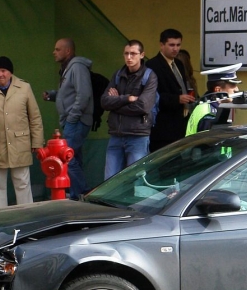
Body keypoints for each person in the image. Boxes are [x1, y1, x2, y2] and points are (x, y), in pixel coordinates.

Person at [0, 56, 45, 209]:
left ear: (10, 73)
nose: (0, 74)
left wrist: (37, 142)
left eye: (3, 71)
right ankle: (1, 220)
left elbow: (35, 117)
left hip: (20, 143)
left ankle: (27, 217)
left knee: (22, 183)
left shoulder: (24, 88)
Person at [44, 38, 93, 200]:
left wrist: (72, 117)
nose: (54, 52)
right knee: (74, 159)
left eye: (58, 49)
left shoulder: (77, 67)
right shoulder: (67, 68)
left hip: (76, 121)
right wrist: (53, 96)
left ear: (68, 51)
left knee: (67, 159)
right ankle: (77, 195)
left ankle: (83, 193)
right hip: (72, 120)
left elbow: (84, 94)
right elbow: (70, 94)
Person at [101, 40, 158, 179]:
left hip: (137, 135)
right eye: (126, 53)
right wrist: (126, 98)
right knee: (109, 181)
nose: (129, 57)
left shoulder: (149, 76)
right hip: (116, 135)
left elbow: (143, 106)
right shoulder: (117, 75)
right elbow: (104, 102)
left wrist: (115, 104)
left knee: (136, 180)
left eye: (133, 53)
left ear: (142, 55)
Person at [146, 28, 195, 152]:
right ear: (161, 45)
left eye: (178, 45)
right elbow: (151, 96)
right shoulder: (152, 65)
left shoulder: (178, 64)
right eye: (171, 45)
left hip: (180, 123)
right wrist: (177, 99)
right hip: (163, 127)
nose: (175, 49)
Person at [186, 65, 240, 136]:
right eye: (233, 85)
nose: (237, 89)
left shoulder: (217, 106)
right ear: (218, 90)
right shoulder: (207, 111)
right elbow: (208, 142)